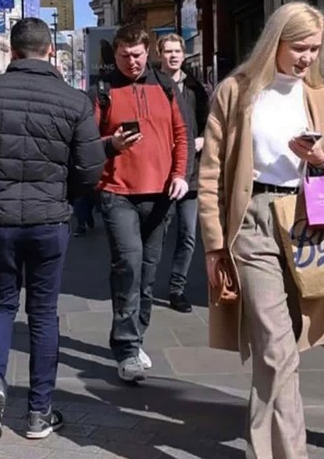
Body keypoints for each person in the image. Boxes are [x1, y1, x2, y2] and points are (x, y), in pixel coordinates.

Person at [198, 2, 324, 458]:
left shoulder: (321, 95)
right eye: (299, 47)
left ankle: (262, 450)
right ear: (276, 42)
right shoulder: (236, 91)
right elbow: (210, 176)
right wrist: (213, 246)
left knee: (277, 351)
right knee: (276, 347)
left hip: (308, 220)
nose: (307, 58)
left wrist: (321, 160)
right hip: (253, 222)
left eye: (315, 49)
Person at [0, 18, 105, 442]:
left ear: (12, 52)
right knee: (42, 313)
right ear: (51, 51)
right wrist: (63, 195)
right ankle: (38, 412)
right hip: (49, 220)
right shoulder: (74, 101)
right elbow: (91, 169)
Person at [94, 24, 189, 383]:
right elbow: (90, 141)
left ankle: (137, 336)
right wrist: (111, 144)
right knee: (129, 266)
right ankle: (127, 348)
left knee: (147, 274)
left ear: (147, 51)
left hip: (161, 194)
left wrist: (180, 174)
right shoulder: (103, 91)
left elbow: (182, 134)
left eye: (136, 55)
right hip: (117, 193)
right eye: (124, 55)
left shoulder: (165, 87)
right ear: (115, 54)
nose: (131, 62)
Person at [157, 34, 211, 313]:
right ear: (160, 55)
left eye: (178, 51)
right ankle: (145, 281)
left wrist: (203, 139)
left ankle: (177, 288)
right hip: (160, 173)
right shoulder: (152, 85)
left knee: (188, 234)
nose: (174, 56)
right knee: (157, 233)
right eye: (168, 51)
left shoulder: (196, 88)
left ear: (184, 54)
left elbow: (210, 124)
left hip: (190, 174)